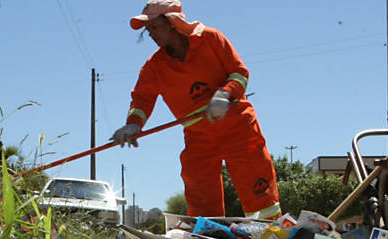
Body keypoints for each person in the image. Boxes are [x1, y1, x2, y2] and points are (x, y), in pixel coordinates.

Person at [111, 1, 281, 219]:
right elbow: (142, 99)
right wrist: (133, 123)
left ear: (172, 22)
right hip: (198, 137)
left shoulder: (211, 39)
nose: (150, 34)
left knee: (261, 197)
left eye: (154, 27)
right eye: (148, 29)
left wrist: (224, 94)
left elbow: (239, 72)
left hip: (239, 128)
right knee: (201, 201)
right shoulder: (154, 66)